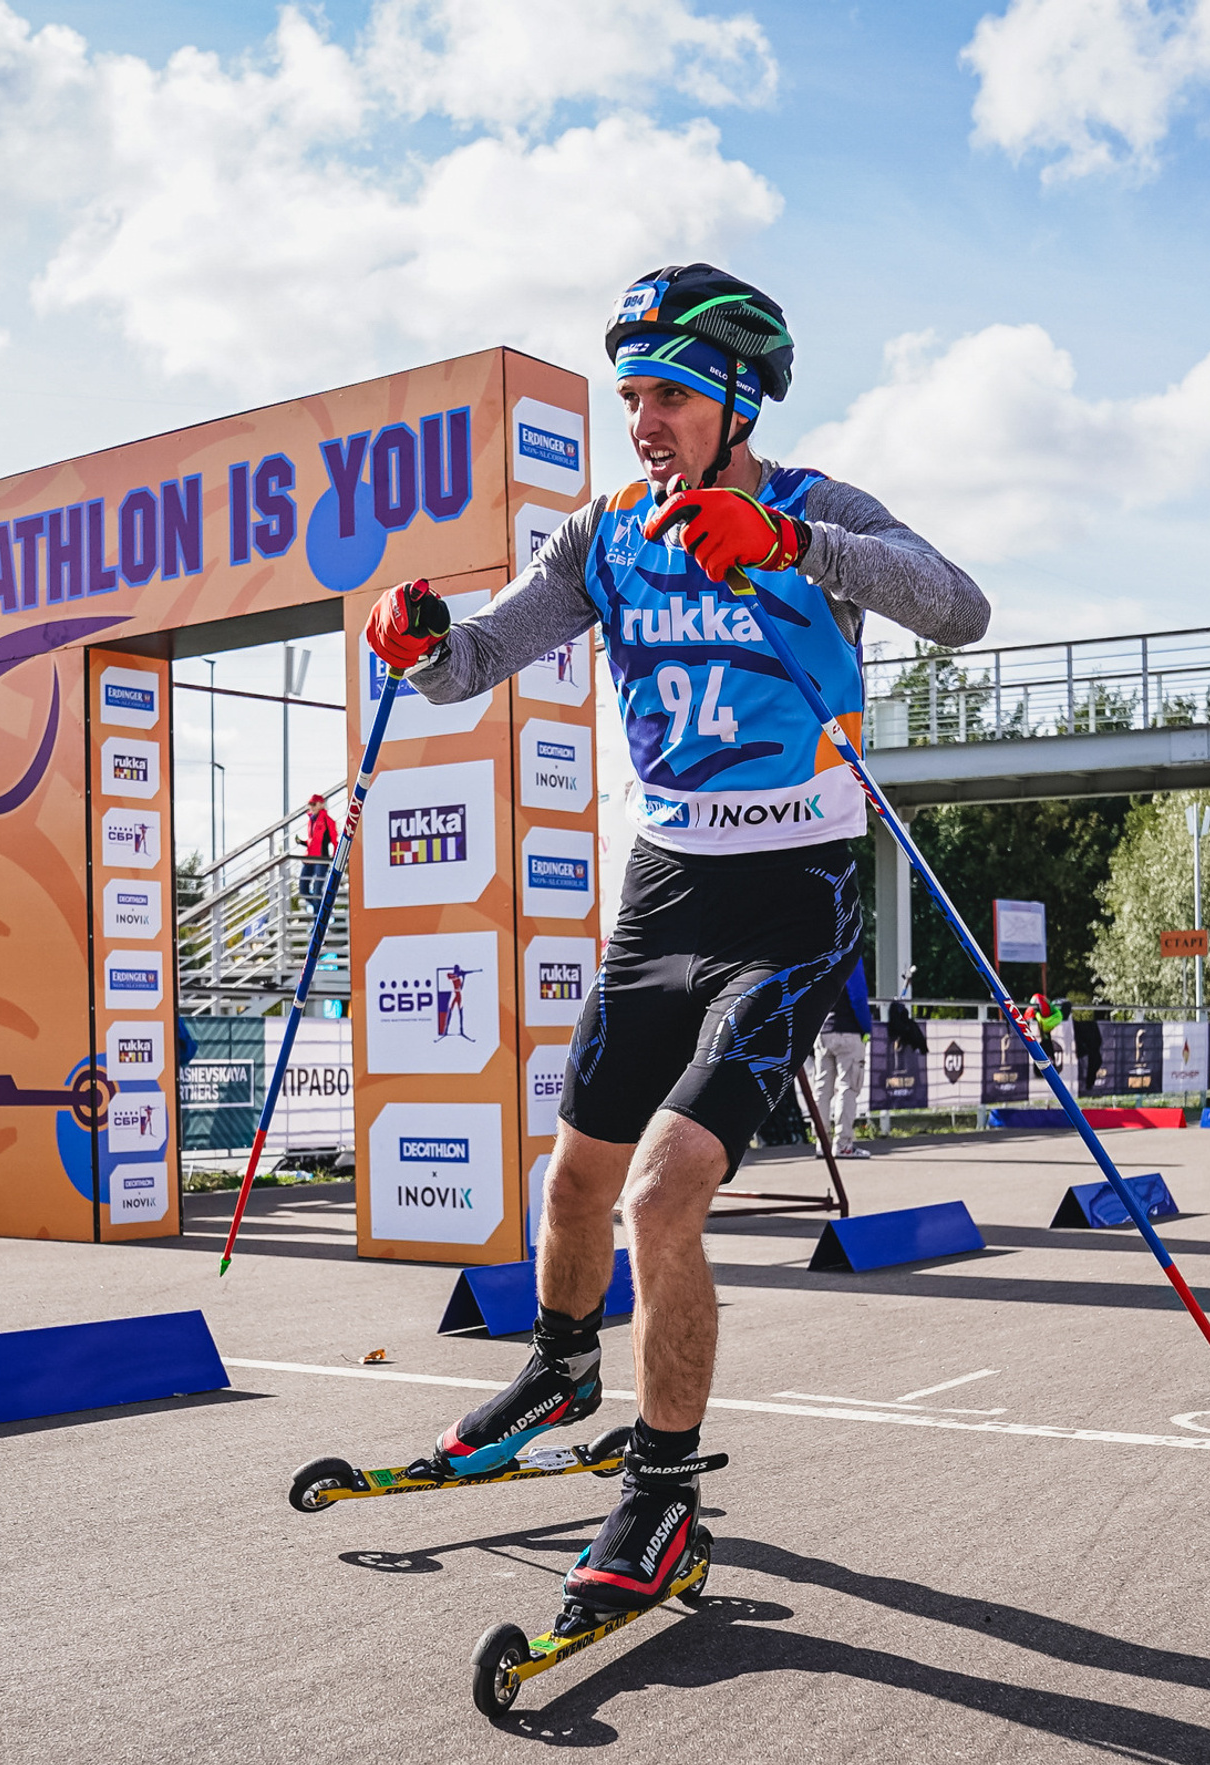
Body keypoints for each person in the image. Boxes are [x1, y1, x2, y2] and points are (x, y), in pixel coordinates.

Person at [363, 262, 990, 1625]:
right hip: (664, 894)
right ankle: (562, 1366)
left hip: (793, 895)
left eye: (667, 395)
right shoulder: (604, 535)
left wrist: (790, 548)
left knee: (662, 1195)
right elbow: (477, 659)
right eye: (629, 394)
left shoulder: (817, 507)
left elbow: (962, 608)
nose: (641, 420)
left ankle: (660, 1492)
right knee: (577, 1180)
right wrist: (415, 644)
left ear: (738, 399)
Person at [813, 956, 872, 1158]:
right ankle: (843, 1143)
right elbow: (858, 996)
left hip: (823, 1031)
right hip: (848, 1031)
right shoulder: (851, 955)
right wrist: (867, 1028)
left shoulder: (821, 955)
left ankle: (821, 1142)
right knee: (848, 1087)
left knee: (822, 1089)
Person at [299, 792, 338, 901]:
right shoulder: (311, 820)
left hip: (321, 858)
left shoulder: (328, 820)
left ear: (321, 804)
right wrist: (302, 842)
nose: (311, 806)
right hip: (309, 858)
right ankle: (319, 911)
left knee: (317, 891)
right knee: (303, 890)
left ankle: (318, 915)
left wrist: (334, 857)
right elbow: (313, 841)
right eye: (309, 804)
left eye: (313, 804)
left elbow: (334, 841)